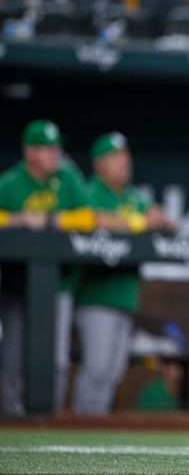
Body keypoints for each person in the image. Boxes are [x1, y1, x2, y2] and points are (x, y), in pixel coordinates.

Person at [72, 132, 173, 414]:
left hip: (126, 295)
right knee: (97, 367)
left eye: (125, 155)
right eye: (115, 157)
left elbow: (166, 223)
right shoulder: (90, 190)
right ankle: (78, 428)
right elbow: (92, 219)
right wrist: (141, 221)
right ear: (100, 163)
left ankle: (94, 428)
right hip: (96, 294)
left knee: (113, 371)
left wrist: (161, 220)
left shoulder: (132, 197)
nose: (124, 162)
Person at [0, 120, 95, 416]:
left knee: (56, 359)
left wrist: (50, 221)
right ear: (29, 152)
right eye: (46, 148)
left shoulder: (67, 178)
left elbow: (88, 218)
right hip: (16, 286)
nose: (54, 153)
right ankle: (10, 416)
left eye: (56, 147)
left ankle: (48, 418)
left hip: (59, 284)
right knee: (13, 357)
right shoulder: (11, 182)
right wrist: (18, 221)